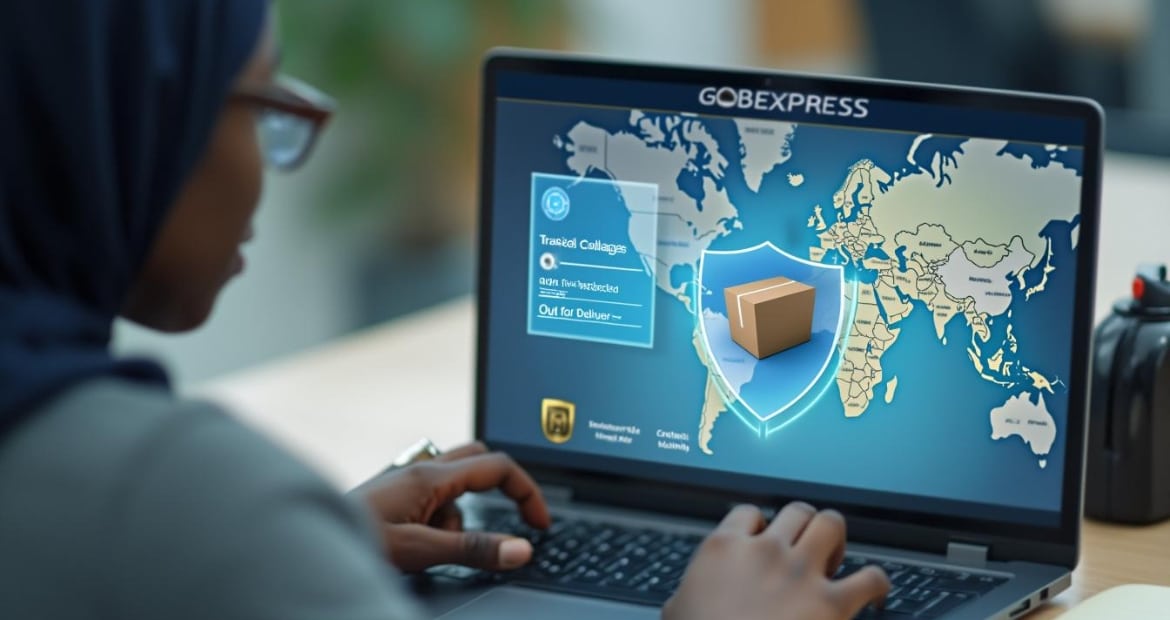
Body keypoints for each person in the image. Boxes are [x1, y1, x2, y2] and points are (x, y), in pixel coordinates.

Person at [0, 1, 890, 618]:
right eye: (261, 103)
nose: (272, 159)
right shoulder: (169, 499)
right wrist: (253, 541)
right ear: (120, 115)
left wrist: (307, 550)